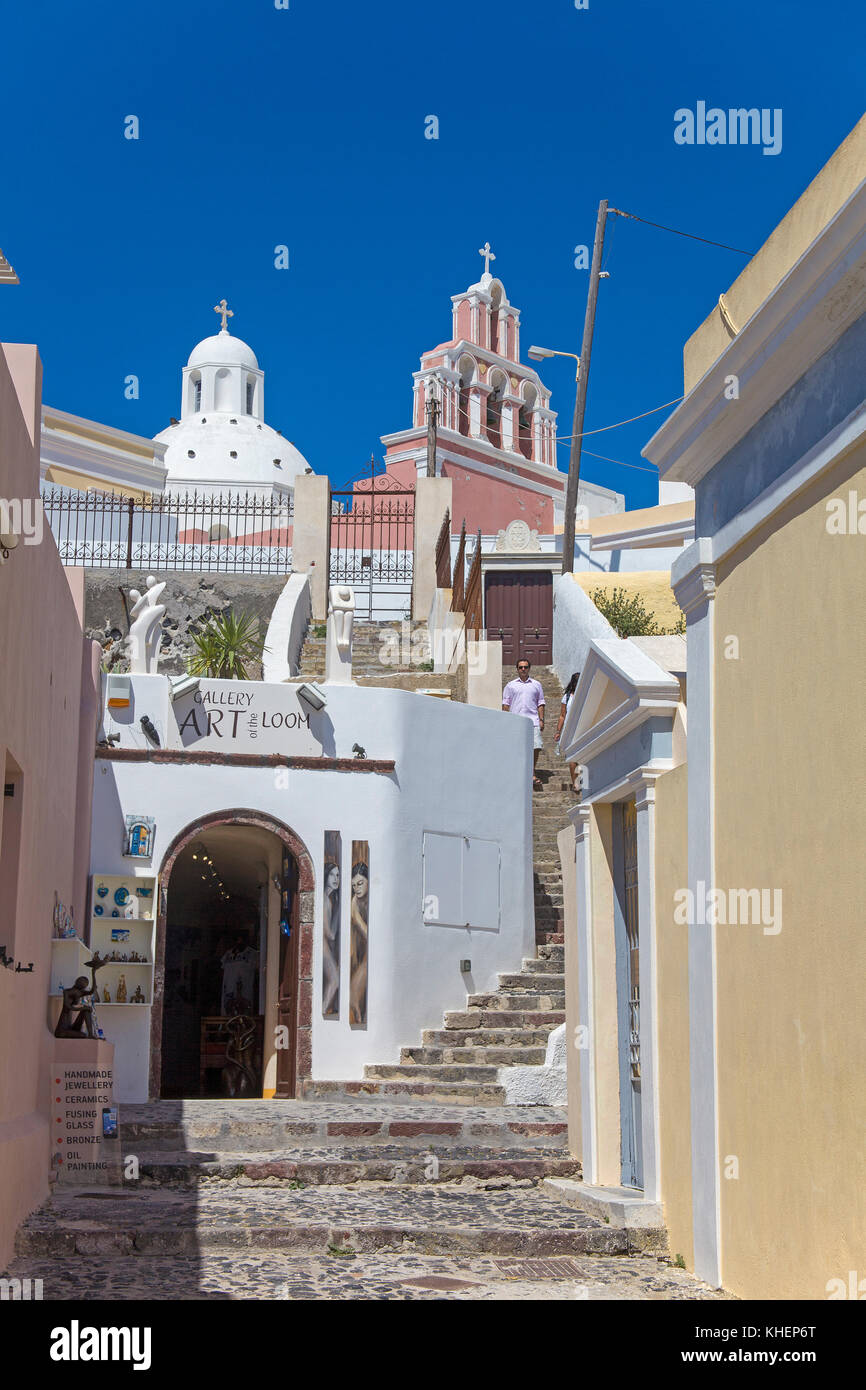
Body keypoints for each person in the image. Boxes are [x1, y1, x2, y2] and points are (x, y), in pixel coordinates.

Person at [502, 660, 546, 789]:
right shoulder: (510, 685)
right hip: (516, 721)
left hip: (533, 721)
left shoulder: (536, 685)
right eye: (520, 667)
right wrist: (507, 720)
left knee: (536, 746)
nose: (523, 669)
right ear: (517, 669)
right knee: (517, 748)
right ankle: (518, 773)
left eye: (525, 667)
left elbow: (541, 703)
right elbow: (505, 704)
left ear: (529, 668)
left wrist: (541, 719)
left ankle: (531, 772)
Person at [554, 671, 581, 793]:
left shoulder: (586, 694)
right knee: (572, 758)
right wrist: (558, 731)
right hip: (570, 730)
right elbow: (562, 715)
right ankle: (575, 783)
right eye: (575, 681)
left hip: (583, 728)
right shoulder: (567, 697)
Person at [349, 862, 369, 1025]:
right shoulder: (354, 903)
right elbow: (369, 935)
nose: (357, 888)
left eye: (360, 883)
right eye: (354, 885)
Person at [322, 861, 341, 1017]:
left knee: (333, 980)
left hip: (325, 947)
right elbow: (331, 934)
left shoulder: (327, 899)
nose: (336, 879)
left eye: (338, 875)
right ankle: (322, 1011)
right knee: (334, 980)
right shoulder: (325, 901)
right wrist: (340, 910)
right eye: (332, 875)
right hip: (323, 947)